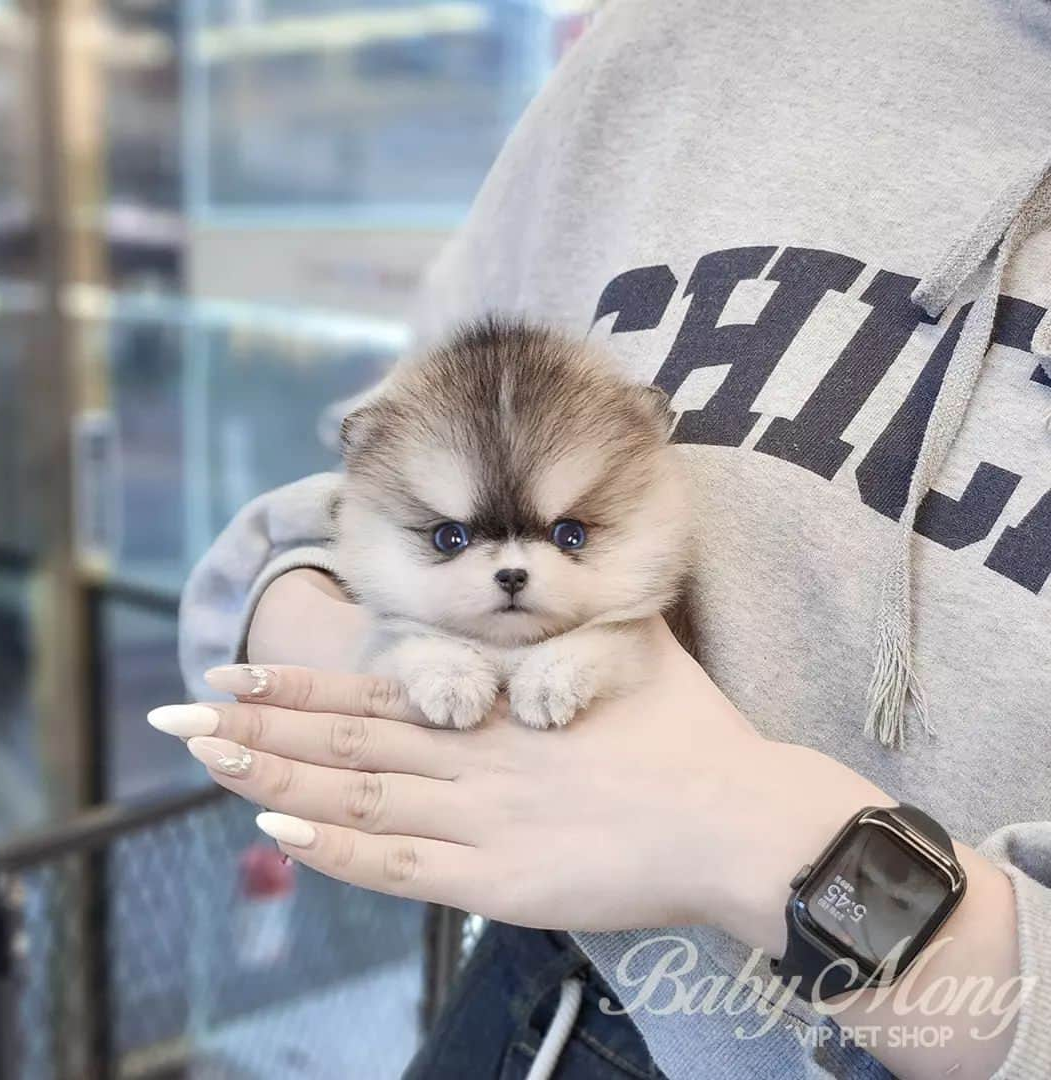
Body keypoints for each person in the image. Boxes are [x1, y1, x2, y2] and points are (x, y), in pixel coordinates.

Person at [153, 1, 1051, 1076]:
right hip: (535, 1009)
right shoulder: (683, 38)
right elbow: (363, 479)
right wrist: (350, 648)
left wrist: (756, 836)